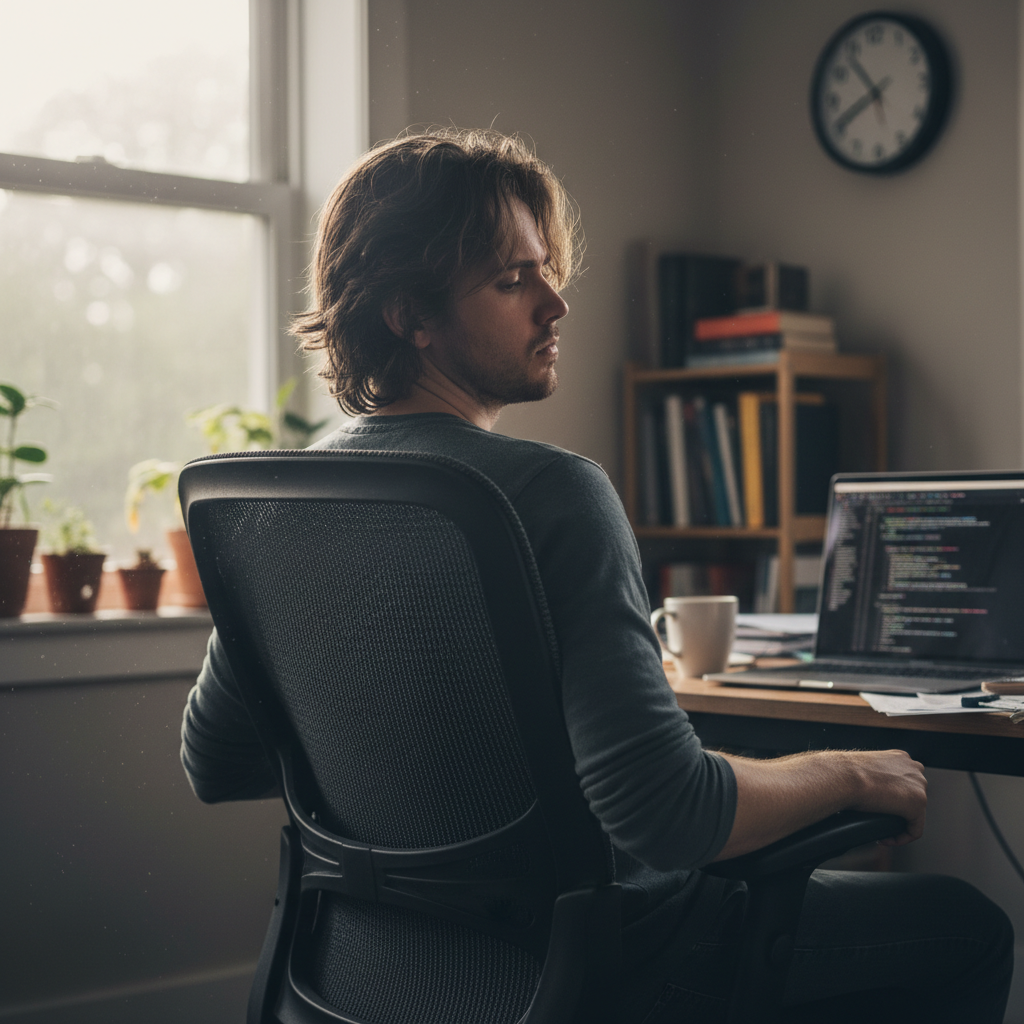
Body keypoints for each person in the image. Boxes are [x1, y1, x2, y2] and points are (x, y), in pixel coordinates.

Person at [181, 128, 1013, 1023]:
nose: (556, 305)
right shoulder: (554, 493)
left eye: (547, 272)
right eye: (512, 282)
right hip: (606, 956)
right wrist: (851, 771)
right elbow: (669, 816)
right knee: (968, 925)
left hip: (360, 961)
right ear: (408, 315)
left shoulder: (270, 502)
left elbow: (218, 760)